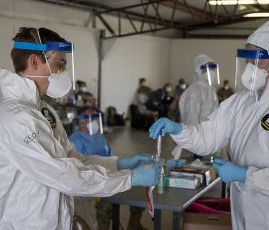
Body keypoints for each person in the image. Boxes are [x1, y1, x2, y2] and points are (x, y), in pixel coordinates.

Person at [0, 27, 160, 229]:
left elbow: (71, 159)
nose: (63, 73)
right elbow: (63, 175)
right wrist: (129, 178)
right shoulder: (16, 116)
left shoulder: (42, 109)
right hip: (27, 223)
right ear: (34, 61)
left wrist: (118, 164)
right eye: (60, 65)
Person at [149, 18, 269, 230]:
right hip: (243, 213)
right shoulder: (241, 101)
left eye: (256, 59)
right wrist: (179, 130)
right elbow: (208, 137)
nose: (249, 67)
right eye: (246, 59)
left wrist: (244, 175)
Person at [69, 106, 147, 230]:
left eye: (96, 117)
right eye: (91, 117)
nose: (94, 121)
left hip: (109, 172)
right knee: (105, 200)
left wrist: (123, 165)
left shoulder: (99, 136)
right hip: (91, 180)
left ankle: (134, 224)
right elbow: (78, 168)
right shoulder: (74, 140)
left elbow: (109, 157)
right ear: (82, 120)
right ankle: (103, 227)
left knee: (139, 186)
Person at [179, 55, 219, 125]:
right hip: (200, 133)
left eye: (213, 67)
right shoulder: (194, 90)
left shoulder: (211, 89)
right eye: (208, 67)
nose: (212, 70)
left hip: (212, 131)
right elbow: (191, 121)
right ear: (199, 69)